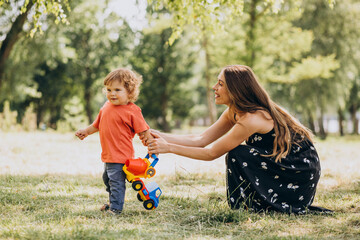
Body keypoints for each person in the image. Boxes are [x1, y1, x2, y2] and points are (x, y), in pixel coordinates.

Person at [145, 65, 330, 214]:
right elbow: (200, 139)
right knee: (240, 153)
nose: (214, 88)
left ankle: (254, 205)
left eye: (220, 84)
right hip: (277, 163)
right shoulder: (234, 112)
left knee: (237, 153)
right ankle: (252, 204)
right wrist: (157, 134)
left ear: (236, 89)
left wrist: (168, 147)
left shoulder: (252, 118)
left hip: (297, 172)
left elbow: (211, 153)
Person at [76, 68, 152, 215]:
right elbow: (96, 125)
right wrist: (86, 131)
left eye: (117, 89)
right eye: (109, 89)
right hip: (108, 155)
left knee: (116, 182)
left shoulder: (132, 110)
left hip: (122, 156)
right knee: (107, 179)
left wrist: (150, 143)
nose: (112, 93)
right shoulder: (106, 106)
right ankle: (113, 202)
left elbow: (143, 130)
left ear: (130, 91)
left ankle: (116, 208)